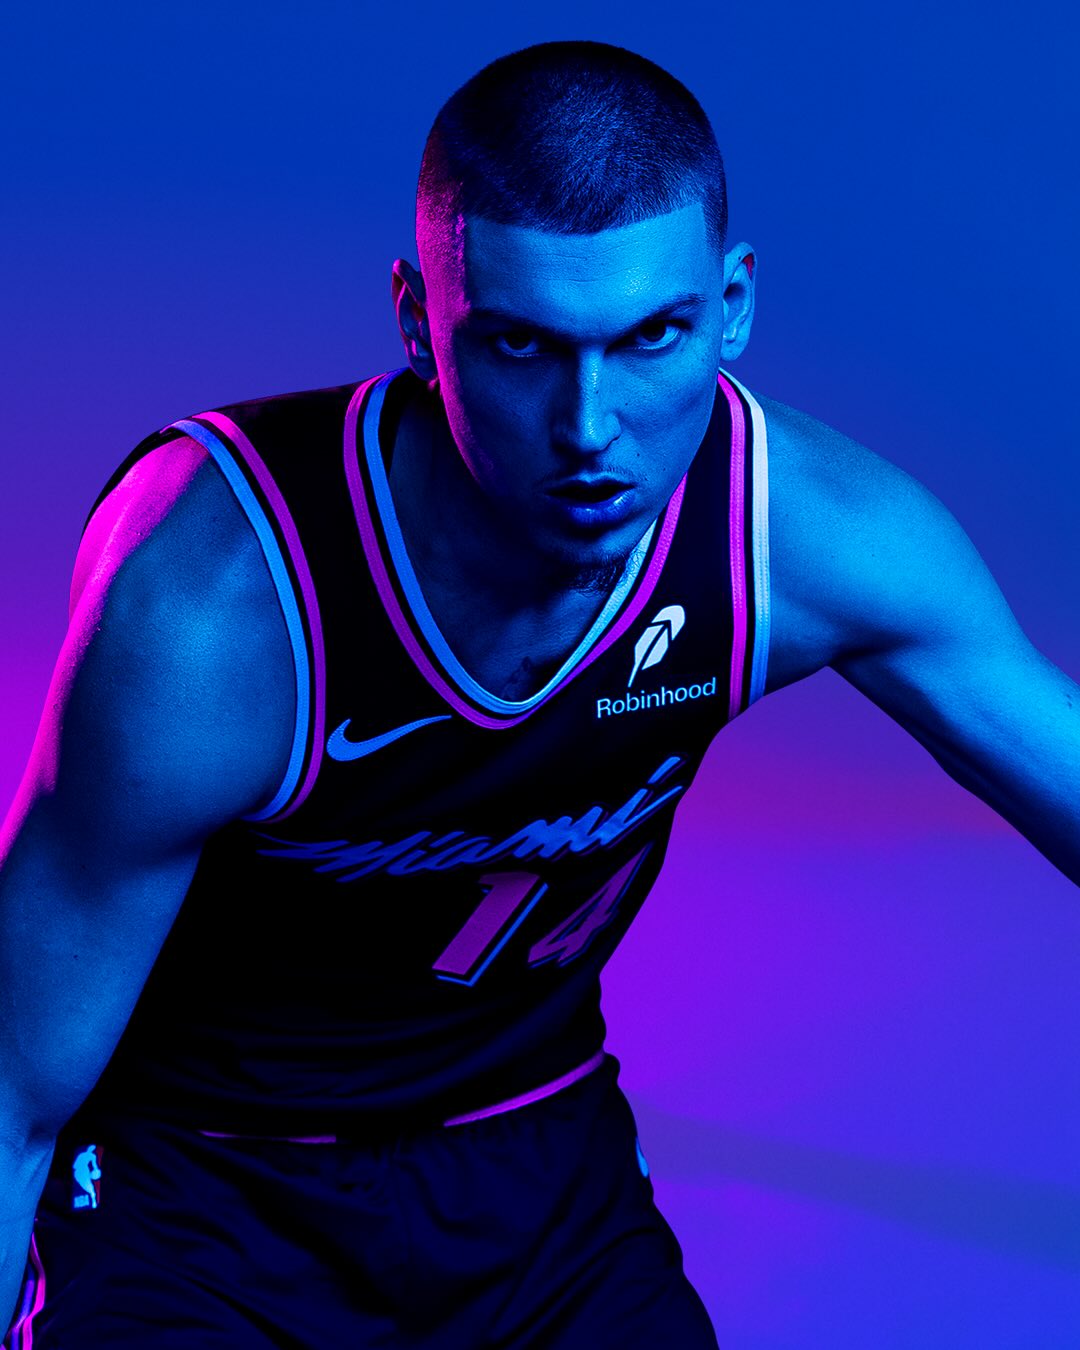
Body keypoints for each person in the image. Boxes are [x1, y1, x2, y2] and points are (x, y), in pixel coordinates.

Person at [1, 36, 1076, 1350]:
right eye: (520, 345)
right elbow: (12, 1087)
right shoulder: (222, 600)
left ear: (732, 307)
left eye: (652, 337)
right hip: (201, 1187)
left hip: (534, 1167)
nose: (589, 428)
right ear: (419, 322)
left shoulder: (799, 534)